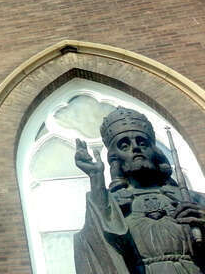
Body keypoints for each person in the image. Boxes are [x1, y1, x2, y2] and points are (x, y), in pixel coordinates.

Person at [74, 106, 205, 273]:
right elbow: (98, 241)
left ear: (154, 151)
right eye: (125, 145)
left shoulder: (191, 199)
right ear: (115, 158)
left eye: (142, 142)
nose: (136, 148)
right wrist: (96, 179)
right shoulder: (112, 205)